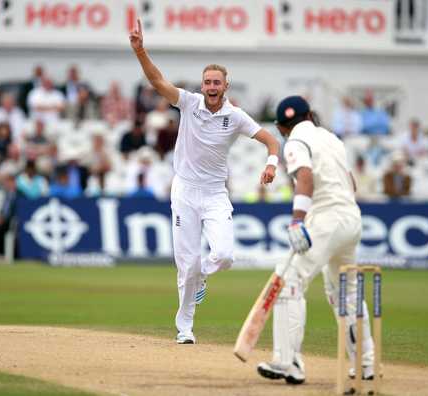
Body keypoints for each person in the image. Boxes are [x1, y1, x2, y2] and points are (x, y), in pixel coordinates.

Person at [129, 19, 280, 344]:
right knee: (187, 263)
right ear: (203, 85)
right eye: (207, 82)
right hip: (184, 190)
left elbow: (271, 140)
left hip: (214, 194)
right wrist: (141, 51)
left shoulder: (235, 116)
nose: (211, 87)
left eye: (216, 82)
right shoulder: (189, 103)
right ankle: (185, 329)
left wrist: (271, 163)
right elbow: (157, 81)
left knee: (224, 255)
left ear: (226, 86)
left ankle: (201, 280)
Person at [257, 96, 375, 385]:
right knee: (344, 291)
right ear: (310, 114)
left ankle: (288, 362)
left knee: (289, 280)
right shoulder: (331, 138)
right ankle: (365, 364)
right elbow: (352, 183)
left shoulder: (295, 141)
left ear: (282, 127)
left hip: (325, 219)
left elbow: (306, 178)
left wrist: (298, 219)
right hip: (351, 218)